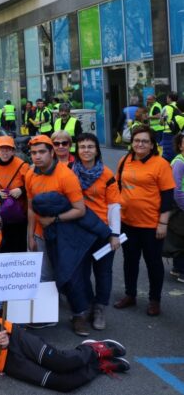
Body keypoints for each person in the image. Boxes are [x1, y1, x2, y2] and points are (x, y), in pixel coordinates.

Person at [0, 280, 130, 392]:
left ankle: (92, 349)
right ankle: (99, 366)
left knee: (61, 362)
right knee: (62, 384)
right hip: (3, 364)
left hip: (14, 338)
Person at [25, 135, 91, 334]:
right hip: (40, 234)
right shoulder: (30, 175)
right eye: (34, 153)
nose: (37, 156)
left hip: (64, 235)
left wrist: (54, 220)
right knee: (44, 276)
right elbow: (30, 208)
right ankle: (46, 316)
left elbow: (80, 210)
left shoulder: (66, 176)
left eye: (42, 152)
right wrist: (31, 235)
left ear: (52, 152)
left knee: (70, 276)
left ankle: (79, 315)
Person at [114, 125, 175, 317]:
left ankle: (154, 300)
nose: (140, 144)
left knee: (153, 263)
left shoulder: (160, 164)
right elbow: (117, 187)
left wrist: (163, 223)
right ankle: (130, 295)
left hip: (151, 225)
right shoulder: (125, 160)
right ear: (132, 143)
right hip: (127, 223)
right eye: (137, 140)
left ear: (152, 145)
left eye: (145, 141)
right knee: (129, 261)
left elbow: (167, 196)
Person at [73, 133, 121, 330]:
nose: (86, 150)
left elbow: (114, 205)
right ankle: (88, 305)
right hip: (78, 230)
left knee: (103, 273)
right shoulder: (69, 172)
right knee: (82, 273)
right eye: (82, 146)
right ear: (77, 150)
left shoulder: (107, 174)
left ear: (97, 150)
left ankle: (100, 308)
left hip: (102, 231)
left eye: (90, 146)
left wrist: (115, 234)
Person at [0, 136, 29, 253]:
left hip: (19, 217)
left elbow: (31, 185)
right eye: (2, 149)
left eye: (8, 149)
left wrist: (22, 190)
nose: (5, 152)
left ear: (13, 151)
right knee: (1, 248)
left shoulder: (22, 166)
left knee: (19, 247)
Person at [170, 133, 184, 281]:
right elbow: (177, 190)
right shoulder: (179, 163)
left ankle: (177, 268)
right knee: (181, 239)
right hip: (181, 206)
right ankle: (181, 271)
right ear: (180, 146)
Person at [160, 91, 179, 161]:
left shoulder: (166, 107)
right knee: (177, 151)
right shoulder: (180, 106)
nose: (166, 99)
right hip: (179, 133)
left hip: (168, 133)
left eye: (167, 98)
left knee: (167, 155)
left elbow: (161, 122)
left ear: (170, 98)